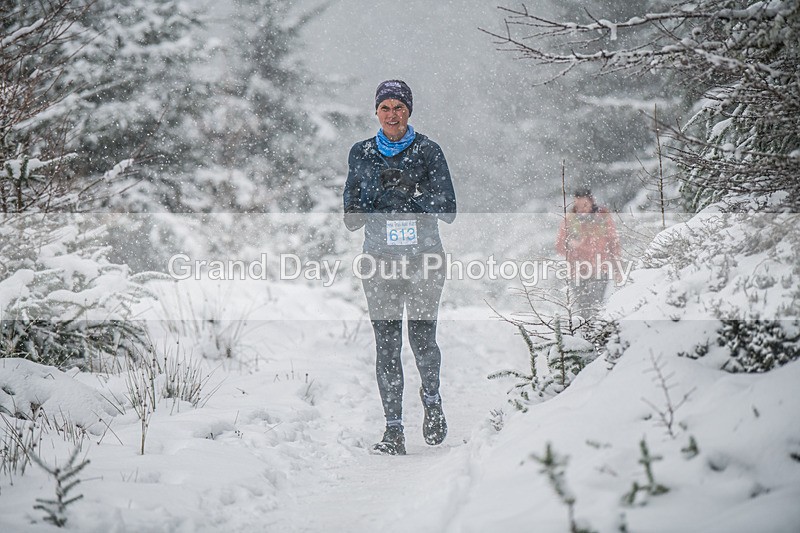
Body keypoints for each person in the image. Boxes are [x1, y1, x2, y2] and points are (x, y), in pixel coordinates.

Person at [343, 80, 457, 455]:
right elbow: (351, 218)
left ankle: (433, 402)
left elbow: (449, 209)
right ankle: (393, 431)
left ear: (410, 110)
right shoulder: (360, 154)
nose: (393, 114)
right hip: (379, 263)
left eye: (399, 107)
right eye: (386, 107)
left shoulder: (428, 151)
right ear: (376, 112)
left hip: (425, 260)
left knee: (422, 339)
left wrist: (412, 192)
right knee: (387, 347)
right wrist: (375, 196)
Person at [555, 188, 621, 320]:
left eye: (584, 204)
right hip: (577, 272)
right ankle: (585, 334)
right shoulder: (569, 220)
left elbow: (614, 244)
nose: (581, 208)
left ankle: (597, 334)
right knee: (582, 308)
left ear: (591, 202)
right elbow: (559, 247)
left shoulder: (603, 218)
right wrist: (570, 245)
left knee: (597, 305)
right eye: (577, 205)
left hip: (600, 269)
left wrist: (617, 268)